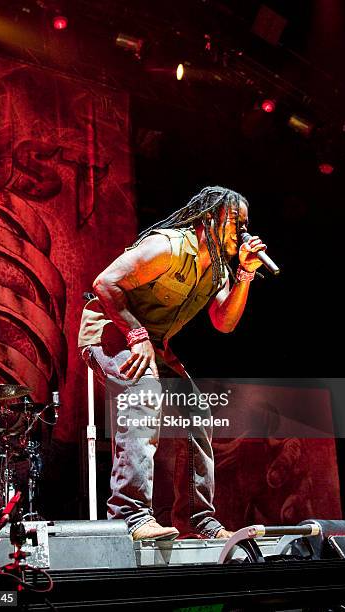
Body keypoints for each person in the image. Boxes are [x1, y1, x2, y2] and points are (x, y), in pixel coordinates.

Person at [78, 186, 266, 540]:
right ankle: (129, 515)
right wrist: (136, 336)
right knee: (143, 393)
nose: (243, 229)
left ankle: (199, 519)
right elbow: (105, 284)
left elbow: (224, 322)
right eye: (236, 220)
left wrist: (244, 274)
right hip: (111, 330)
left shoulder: (218, 270)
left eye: (246, 222)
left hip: (154, 345)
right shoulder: (168, 246)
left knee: (196, 410)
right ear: (211, 217)